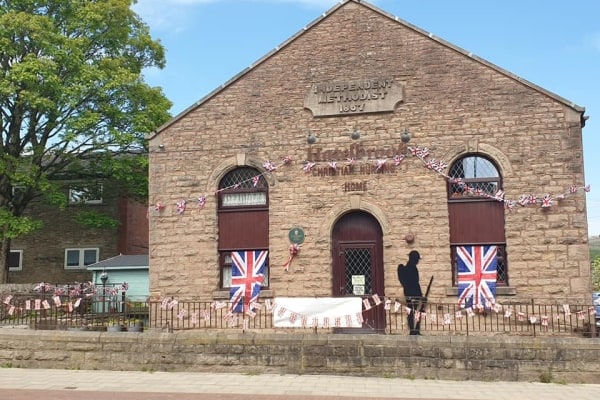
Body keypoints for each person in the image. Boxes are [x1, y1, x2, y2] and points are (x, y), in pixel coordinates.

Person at [397, 250, 424, 335]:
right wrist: (420, 295)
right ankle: (413, 330)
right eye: (417, 259)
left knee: (413, 311)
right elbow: (414, 283)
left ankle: (414, 329)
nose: (417, 261)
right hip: (412, 292)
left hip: (410, 292)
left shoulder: (410, 267)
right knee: (412, 311)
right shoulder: (411, 268)